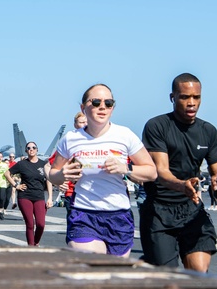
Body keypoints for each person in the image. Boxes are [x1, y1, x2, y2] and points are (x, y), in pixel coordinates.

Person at [49, 84, 157, 256]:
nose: (102, 107)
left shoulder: (125, 135)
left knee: (114, 269)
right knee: (93, 260)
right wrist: (62, 174)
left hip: (118, 215)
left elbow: (151, 172)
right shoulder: (71, 139)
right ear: (83, 107)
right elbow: (53, 173)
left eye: (108, 103)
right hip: (84, 214)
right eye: (96, 102)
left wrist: (125, 168)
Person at [139, 73, 217, 272]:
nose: (191, 103)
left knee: (198, 275)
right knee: (169, 279)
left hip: (192, 210)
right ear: (173, 97)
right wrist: (182, 186)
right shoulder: (157, 126)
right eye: (185, 97)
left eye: (196, 97)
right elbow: (161, 171)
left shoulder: (208, 131)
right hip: (160, 211)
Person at [5, 141, 53, 246]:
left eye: (33, 147)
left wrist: (50, 198)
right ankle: (31, 247)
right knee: (30, 224)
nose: (31, 149)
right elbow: (7, 173)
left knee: (41, 224)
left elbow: (49, 180)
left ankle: (35, 242)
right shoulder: (22, 164)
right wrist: (16, 185)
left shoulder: (43, 164)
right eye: (29, 148)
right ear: (26, 151)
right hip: (25, 196)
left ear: (37, 150)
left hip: (39, 196)